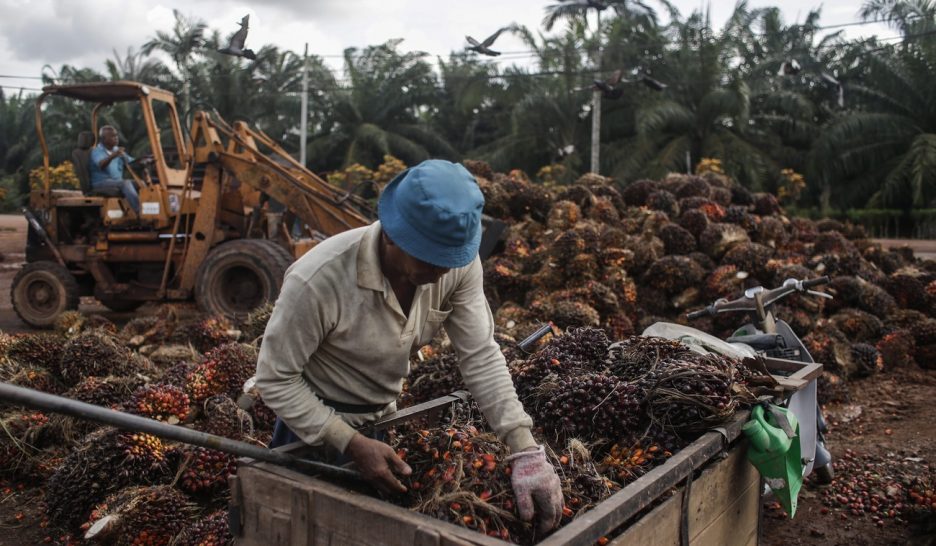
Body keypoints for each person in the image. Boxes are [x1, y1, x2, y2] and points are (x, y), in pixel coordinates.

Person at [255, 159, 564, 532]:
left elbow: (481, 355)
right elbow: (275, 379)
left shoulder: (457, 264)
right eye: (431, 260)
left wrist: (523, 447)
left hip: (384, 420)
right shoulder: (318, 280)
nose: (443, 272)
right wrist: (348, 442)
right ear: (391, 235)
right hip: (310, 428)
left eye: (452, 259)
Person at [88, 125, 140, 213]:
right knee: (125, 183)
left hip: (116, 181)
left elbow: (132, 162)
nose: (116, 138)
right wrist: (113, 155)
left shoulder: (116, 150)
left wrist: (145, 159)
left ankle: (151, 209)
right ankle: (140, 211)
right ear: (104, 139)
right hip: (101, 182)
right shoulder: (96, 151)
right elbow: (101, 165)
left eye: (116, 135)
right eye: (113, 136)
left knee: (140, 183)